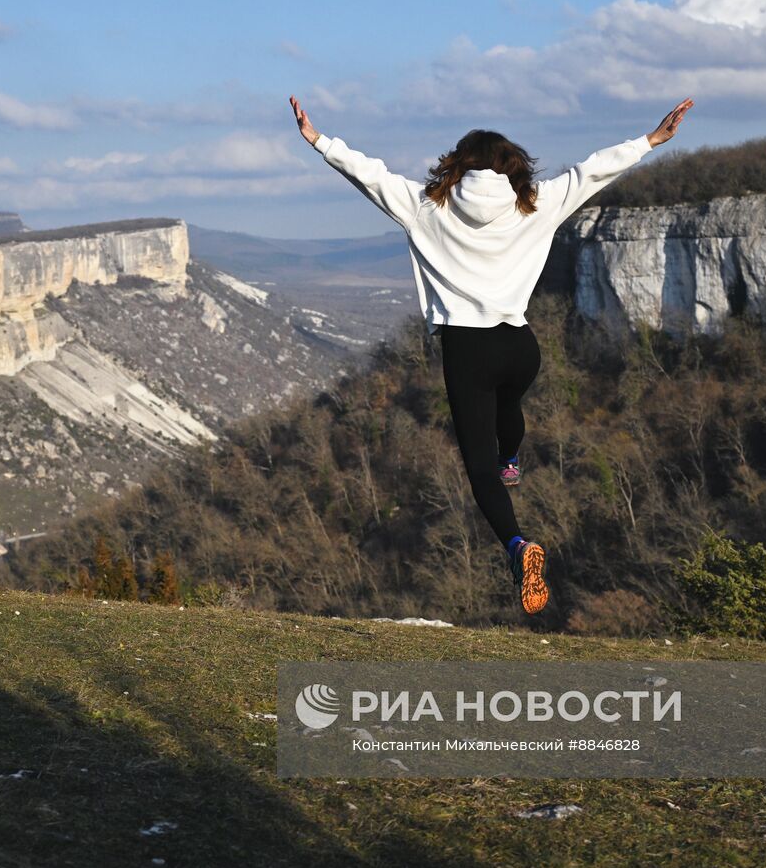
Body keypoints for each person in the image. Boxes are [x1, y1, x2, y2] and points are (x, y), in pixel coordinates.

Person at [290, 94, 693, 615]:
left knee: (478, 469)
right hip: (521, 345)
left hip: (467, 350)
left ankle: (518, 545)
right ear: (513, 168)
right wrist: (650, 140)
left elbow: (370, 175)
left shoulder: (425, 206)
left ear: (455, 166)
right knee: (510, 409)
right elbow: (592, 171)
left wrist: (320, 141)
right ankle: (511, 458)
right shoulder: (537, 203)